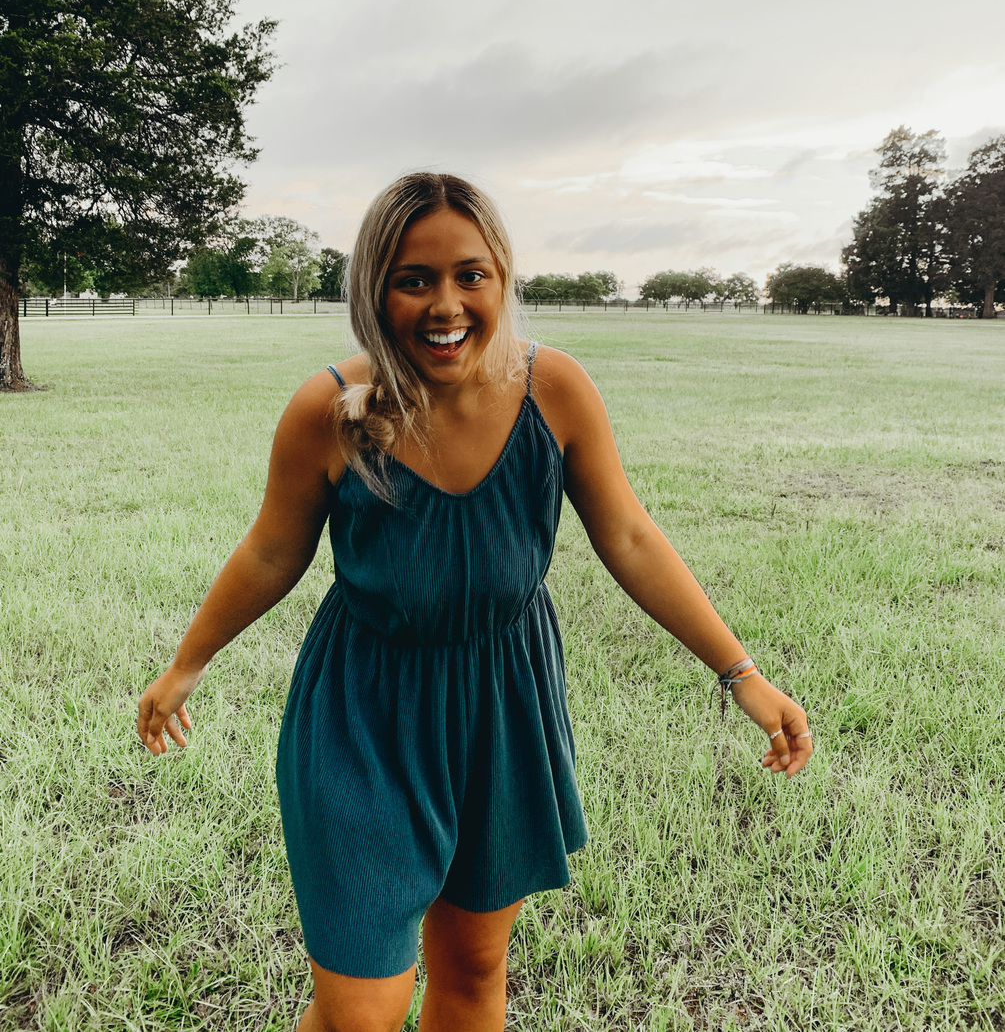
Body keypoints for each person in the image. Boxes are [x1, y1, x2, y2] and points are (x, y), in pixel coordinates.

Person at [138, 172, 812, 1032]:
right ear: (373, 289)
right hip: (362, 714)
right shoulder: (327, 409)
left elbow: (630, 537)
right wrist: (187, 662)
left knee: (474, 965)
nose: (444, 305)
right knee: (359, 1012)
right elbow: (273, 549)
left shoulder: (554, 390)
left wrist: (740, 674)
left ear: (502, 278)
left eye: (469, 275)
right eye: (412, 279)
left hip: (504, 707)